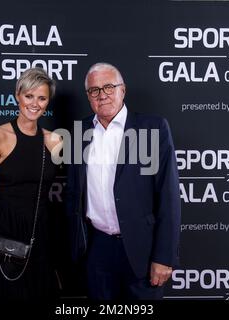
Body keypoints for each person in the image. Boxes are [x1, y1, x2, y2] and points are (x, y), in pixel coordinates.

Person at [65, 62, 181, 299]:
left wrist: (164, 257)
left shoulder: (153, 128)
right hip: (96, 249)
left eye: (109, 87)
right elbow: (73, 192)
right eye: (94, 90)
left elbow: (168, 197)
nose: (102, 95)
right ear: (88, 96)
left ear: (122, 90)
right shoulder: (79, 131)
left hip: (142, 249)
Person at [0, 67, 62, 300]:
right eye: (29, 96)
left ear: (48, 102)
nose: (35, 103)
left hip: (41, 229)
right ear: (18, 95)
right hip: (5, 232)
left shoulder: (54, 141)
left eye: (42, 98)